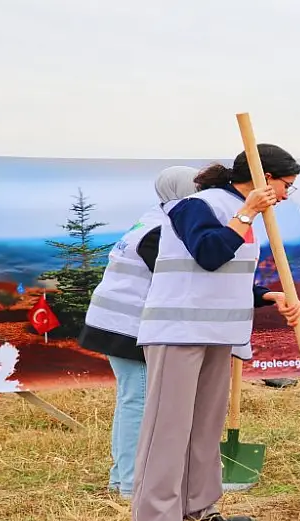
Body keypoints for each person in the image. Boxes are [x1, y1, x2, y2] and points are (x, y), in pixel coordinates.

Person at [123, 146, 300, 521]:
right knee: (166, 435)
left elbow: (224, 276)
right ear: (264, 177)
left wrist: (268, 296)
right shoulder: (195, 205)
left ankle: (198, 509)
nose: (285, 195)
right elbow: (208, 253)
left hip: (217, 336)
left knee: (204, 428)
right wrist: (246, 213)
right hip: (177, 334)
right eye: (285, 186)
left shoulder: (244, 212)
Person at [79, 165, 198, 499]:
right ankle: (133, 485)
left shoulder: (154, 218)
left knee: (132, 400)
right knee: (142, 403)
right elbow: (175, 278)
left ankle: (122, 478)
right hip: (129, 326)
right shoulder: (165, 230)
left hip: (114, 322)